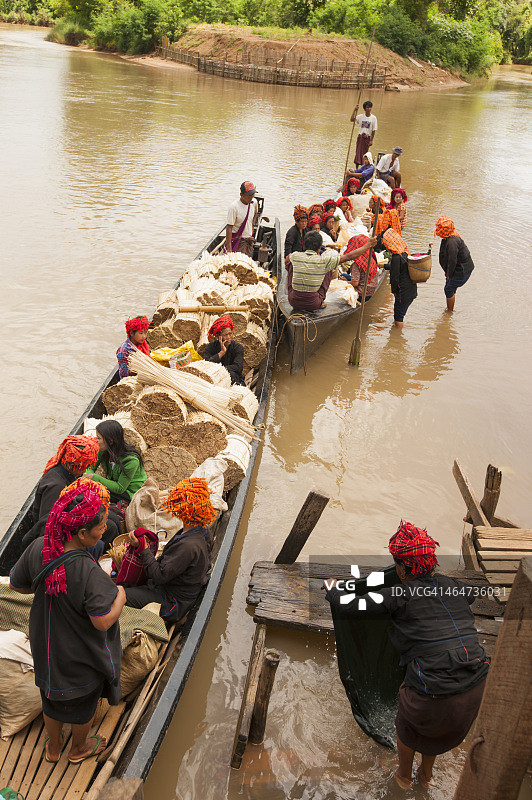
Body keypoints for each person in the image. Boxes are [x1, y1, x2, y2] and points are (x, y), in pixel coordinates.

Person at [326, 521, 489, 790]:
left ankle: (403, 775)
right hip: (474, 691)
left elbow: (349, 605)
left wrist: (333, 589)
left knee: (411, 713)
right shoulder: (452, 586)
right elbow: (471, 595)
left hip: (432, 696)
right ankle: (426, 775)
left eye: (396, 564)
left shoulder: (399, 594)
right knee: (435, 717)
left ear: (402, 569)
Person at [10, 484, 126, 765]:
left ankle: (53, 748)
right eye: (100, 526)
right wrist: (121, 597)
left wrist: (46, 589)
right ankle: (79, 748)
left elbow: (16, 583)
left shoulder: (39, 547)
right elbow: (101, 622)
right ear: (82, 533)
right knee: (83, 706)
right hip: (78, 657)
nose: (104, 530)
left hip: (46, 648)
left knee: (50, 698)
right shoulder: (89, 571)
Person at [124, 478, 215, 623]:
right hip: (178, 589)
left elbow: (159, 576)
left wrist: (144, 549)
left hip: (172, 601)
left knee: (121, 595)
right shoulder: (203, 530)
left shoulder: (188, 547)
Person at [21, 435, 102, 549]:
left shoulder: (65, 471)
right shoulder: (56, 487)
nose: (84, 471)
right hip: (55, 534)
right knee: (102, 539)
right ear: (72, 465)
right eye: (83, 467)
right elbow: (47, 524)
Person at [286, 230, 376, 312]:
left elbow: (287, 259)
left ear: (304, 246)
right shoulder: (324, 261)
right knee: (329, 268)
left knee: (290, 265)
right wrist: (367, 245)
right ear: (319, 248)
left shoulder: (294, 256)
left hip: (293, 301)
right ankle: (322, 300)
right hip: (313, 304)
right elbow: (349, 256)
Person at [85, 420, 146, 508]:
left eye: (98, 438)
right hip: (115, 486)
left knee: (95, 494)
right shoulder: (103, 451)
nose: (95, 440)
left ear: (110, 441)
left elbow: (120, 488)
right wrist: (87, 475)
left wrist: (94, 477)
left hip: (129, 492)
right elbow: (90, 467)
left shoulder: (131, 461)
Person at [435, 215, 475, 313]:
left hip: (462, 270)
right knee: (450, 288)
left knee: (448, 289)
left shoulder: (452, 241)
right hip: (457, 268)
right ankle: (449, 309)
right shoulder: (448, 237)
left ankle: (449, 312)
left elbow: (452, 260)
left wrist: (449, 274)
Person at [383, 228, 416, 328]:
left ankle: (397, 334)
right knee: (400, 312)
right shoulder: (404, 253)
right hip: (411, 289)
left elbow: (395, 278)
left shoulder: (396, 257)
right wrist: (384, 266)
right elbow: (399, 268)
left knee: (398, 316)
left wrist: (394, 291)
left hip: (403, 291)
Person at [204, 314, 245, 385]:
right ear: (218, 336)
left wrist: (220, 370)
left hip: (233, 378)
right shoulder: (210, 347)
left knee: (231, 374)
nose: (228, 337)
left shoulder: (238, 347)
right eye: (225, 335)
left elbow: (238, 367)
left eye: (230, 334)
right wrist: (221, 353)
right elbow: (206, 364)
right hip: (213, 377)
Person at [341, 234, 379, 300]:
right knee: (345, 275)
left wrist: (344, 282)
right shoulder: (370, 258)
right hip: (370, 291)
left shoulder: (357, 264)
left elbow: (355, 283)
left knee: (341, 279)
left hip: (362, 294)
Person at [225, 181, 258, 257]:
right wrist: (229, 250)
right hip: (238, 241)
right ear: (241, 194)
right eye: (249, 195)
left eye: (252, 194)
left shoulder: (254, 202)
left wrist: (252, 226)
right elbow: (229, 228)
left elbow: (255, 214)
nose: (251, 197)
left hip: (248, 240)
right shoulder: (234, 207)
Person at [350, 100, 378, 166]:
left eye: (370, 107)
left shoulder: (373, 118)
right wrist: (355, 110)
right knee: (358, 153)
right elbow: (352, 119)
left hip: (367, 138)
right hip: (360, 137)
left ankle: (363, 167)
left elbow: (373, 130)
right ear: (365, 109)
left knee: (365, 154)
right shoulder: (360, 116)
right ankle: (357, 168)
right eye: (367, 107)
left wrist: (371, 140)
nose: (369, 109)